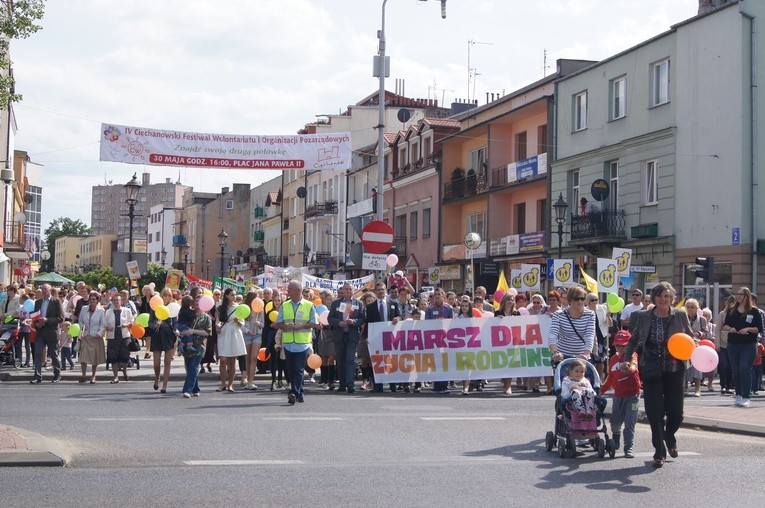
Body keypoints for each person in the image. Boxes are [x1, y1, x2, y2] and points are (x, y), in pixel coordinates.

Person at [623, 281, 694, 468]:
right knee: (655, 412)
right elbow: (633, 340)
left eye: (668, 296)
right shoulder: (644, 316)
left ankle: (669, 436)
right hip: (651, 369)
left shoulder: (680, 315)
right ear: (654, 298)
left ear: (672, 299)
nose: (664, 299)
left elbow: (689, 337)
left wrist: (697, 343)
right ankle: (659, 451)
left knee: (676, 412)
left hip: (675, 368)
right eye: (661, 296)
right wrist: (627, 359)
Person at [274, 281, 319, 405]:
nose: (288, 291)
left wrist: (302, 326)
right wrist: (285, 326)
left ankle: (293, 392)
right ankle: (300, 393)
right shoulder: (285, 305)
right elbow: (278, 322)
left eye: (290, 289)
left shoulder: (309, 305)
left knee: (298, 369)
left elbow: (314, 323)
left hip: (302, 343)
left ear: (298, 290)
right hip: (288, 343)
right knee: (290, 369)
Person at [600, 330, 640, 458]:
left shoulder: (632, 355)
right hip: (618, 396)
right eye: (618, 345)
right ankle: (615, 437)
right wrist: (601, 390)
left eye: (624, 345)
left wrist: (629, 368)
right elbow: (610, 378)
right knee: (615, 422)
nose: (621, 348)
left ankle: (629, 447)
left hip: (633, 395)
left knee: (630, 422)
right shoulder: (613, 359)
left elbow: (634, 367)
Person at [721, 286, 763, 408]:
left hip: (748, 344)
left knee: (745, 368)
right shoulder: (731, 310)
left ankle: (746, 396)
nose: (738, 296)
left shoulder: (754, 311)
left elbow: (758, 328)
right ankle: (738, 394)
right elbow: (725, 326)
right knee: (736, 370)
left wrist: (747, 329)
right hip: (733, 344)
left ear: (746, 296)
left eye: (741, 294)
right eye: (737, 294)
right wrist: (731, 329)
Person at [328, 283, 365, 394]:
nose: (348, 291)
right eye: (346, 289)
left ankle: (350, 385)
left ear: (354, 290)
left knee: (350, 360)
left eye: (350, 289)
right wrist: (338, 323)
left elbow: (362, 319)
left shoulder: (359, 303)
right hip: (340, 335)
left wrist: (353, 322)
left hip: (352, 335)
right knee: (341, 361)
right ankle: (342, 385)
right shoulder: (336, 303)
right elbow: (330, 318)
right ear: (343, 291)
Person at [365, 281, 401, 393]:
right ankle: (377, 386)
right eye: (379, 289)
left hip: (390, 337)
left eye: (383, 289)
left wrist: (398, 319)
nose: (381, 291)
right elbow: (368, 323)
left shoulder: (393, 303)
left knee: (391, 360)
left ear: (386, 290)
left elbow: (400, 315)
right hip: (376, 337)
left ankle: (392, 384)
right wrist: (366, 336)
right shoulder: (370, 306)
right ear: (375, 292)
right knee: (377, 361)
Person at [548, 286, 595, 365]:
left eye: (582, 299)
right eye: (576, 299)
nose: (580, 301)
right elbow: (552, 334)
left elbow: (590, 336)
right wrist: (555, 352)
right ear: (570, 300)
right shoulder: (559, 314)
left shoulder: (590, 314)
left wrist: (586, 354)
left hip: (582, 357)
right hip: (562, 356)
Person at [180, 294, 212, 398]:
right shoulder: (189, 314)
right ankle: (196, 389)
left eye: (200, 302)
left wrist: (194, 331)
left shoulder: (206, 317)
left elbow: (207, 333)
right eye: (196, 302)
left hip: (199, 346)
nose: (198, 304)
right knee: (190, 369)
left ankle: (187, 390)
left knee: (194, 367)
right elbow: (181, 326)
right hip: (187, 345)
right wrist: (182, 332)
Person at [31, 284, 64, 384]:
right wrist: (37, 323)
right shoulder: (38, 302)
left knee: (53, 354)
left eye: (45, 289)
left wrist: (47, 320)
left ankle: (57, 375)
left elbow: (61, 318)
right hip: (40, 331)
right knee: (37, 353)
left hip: (51, 331)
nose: (43, 291)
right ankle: (37, 376)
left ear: (50, 290)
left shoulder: (56, 301)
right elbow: (35, 316)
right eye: (42, 289)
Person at [216, 288, 247, 393]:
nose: (234, 297)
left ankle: (230, 385)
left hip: (234, 333)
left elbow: (242, 323)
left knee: (232, 361)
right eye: (232, 295)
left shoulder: (238, 307)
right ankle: (222, 384)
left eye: (235, 295)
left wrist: (238, 321)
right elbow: (218, 321)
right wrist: (218, 327)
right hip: (224, 333)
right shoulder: (220, 308)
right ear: (227, 296)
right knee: (223, 359)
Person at [425, 287, 454, 394]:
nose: (437, 296)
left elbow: (452, 324)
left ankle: (444, 384)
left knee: (445, 361)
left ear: (443, 295)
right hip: (434, 339)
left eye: (439, 294)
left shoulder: (448, 308)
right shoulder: (429, 309)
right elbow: (426, 324)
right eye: (435, 294)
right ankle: (436, 384)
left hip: (445, 339)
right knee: (435, 361)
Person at [104, 292, 134, 383]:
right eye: (114, 300)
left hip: (124, 336)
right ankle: (115, 376)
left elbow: (132, 321)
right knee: (113, 357)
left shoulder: (126, 310)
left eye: (118, 300)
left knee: (124, 356)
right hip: (112, 337)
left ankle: (125, 372)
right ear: (112, 301)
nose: (116, 302)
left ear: (121, 301)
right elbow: (104, 322)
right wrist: (108, 327)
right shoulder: (108, 312)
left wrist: (127, 324)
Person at [77, 291, 106, 383]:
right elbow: (80, 321)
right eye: (90, 299)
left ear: (97, 300)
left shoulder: (101, 310)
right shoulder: (84, 309)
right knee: (83, 357)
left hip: (95, 336)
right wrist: (83, 328)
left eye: (94, 299)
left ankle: (93, 376)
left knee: (94, 358)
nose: (91, 301)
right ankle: (83, 375)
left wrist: (100, 333)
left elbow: (103, 324)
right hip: (85, 336)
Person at [684, 298, 709, 397]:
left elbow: (706, 333)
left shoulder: (702, 319)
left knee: (697, 367)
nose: (690, 309)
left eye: (692, 307)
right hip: (684, 344)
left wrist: (699, 333)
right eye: (688, 307)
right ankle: (685, 387)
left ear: (697, 308)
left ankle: (697, 389)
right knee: (685, 365)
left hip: (697, 344)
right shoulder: (683, 317)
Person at [497, 293, 520, 395]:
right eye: (508, 300)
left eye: (512, 300)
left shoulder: (517, 313)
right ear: (504, 301)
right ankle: (505, 385)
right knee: (504, 364)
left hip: (513, 342)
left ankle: (508, 386)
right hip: (501, 343)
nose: (510, 302)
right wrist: (498, 319)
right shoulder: (497, 312)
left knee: (510, 364)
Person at [586, 293, 611, 381]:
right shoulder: (585, 311)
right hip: (590, 338)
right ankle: (591, 379)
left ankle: (599, 379)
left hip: (601, 337)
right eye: (592, 300)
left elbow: (609, 324)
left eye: (596, 299)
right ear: (588, 301)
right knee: (590, 360)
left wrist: (608, 317)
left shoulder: (602, 308)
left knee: (600, 360)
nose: (595, 302)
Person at [715, 296, 735, 395]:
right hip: (723, 344)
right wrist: (717, 343)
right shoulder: (722, 314)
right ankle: (723, 386)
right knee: (724, 365)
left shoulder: (738, 314)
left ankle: (729, 386)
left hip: (734, 344)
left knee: (731, 366)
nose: (732, 304)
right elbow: (718, 329)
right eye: (730, 302)